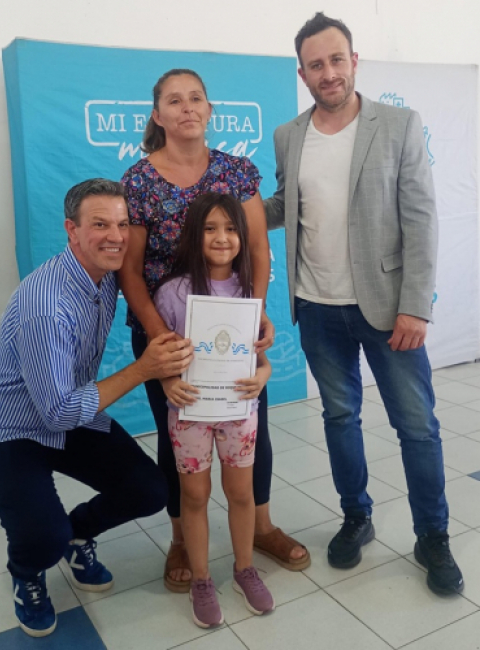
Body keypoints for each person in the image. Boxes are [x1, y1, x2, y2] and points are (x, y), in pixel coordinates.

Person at [265, 12, 464, 595]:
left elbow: (421, 218)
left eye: (336, 59)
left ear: (354, 61)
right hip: (317, 308)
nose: (328, 72)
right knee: (339, 418)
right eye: (316, 64)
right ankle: (356, 517)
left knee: (417, 427)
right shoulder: (288, 135)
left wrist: (416, 306)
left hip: (388, 309)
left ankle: (433, 536)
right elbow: (285, 203)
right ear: (302, 74)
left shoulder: (399, 124)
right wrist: (231, 206)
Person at [0, 179, 193, 638]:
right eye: (100, 225)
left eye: (122, 224)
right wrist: (144, 368)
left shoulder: (105, 276)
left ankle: (78, 532)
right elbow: (59, 413)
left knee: (151, 490)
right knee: (41, 538)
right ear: (72, 230)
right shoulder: (47, 306)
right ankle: (28, 571)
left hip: (68, 411)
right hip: (8, 429)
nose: (116, 236)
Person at [119, 68, 310, 592]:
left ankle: (261, 528)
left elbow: (259, 249)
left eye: (196, 98)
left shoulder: (236, 171)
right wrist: (161, 340)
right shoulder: (138, 182)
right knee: (176, 434)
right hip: (166, 333)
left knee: (249, 425)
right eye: (174, 101)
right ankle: (182, 537)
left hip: (233, 330)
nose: (187, 108)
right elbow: (130, 271)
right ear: (157, 115)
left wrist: (255, 312)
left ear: (209, 110)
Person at [154, 193, 275, 627]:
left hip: (239, 410)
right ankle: (202, 579)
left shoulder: (249, 293)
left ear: (242, 236)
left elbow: (259, 359)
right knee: (194, 496)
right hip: (189, 412)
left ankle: (245, 569)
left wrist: (263, 375)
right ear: (193, 235)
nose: (222, 238)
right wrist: (168, 382)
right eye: (210, 229)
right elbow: (162, 357)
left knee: (241, 493)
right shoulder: (172, 293)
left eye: (230, 229)